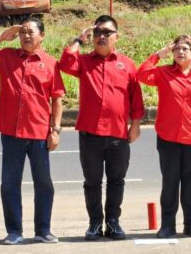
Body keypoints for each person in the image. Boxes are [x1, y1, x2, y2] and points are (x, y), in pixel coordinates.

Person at [0, 19, 65, 245]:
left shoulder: (50, 63)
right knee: (10, 183)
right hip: (11, 132)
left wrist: (55, 131)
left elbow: (57, 99)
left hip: (39, 132)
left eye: (31, 32)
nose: (26, 35)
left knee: (44, 183)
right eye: (22, 32)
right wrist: (1, 37)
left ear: (42, 36)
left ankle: (43, 230)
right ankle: (14, 231)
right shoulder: (6, 56)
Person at [60, 15, 145, 241]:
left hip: (118, 134)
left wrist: (135, 125)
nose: (102, 37)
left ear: (117, 37)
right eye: (97, 32)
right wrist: (78, 40)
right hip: (91, 134)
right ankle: (95, 223)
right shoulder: (84, 62)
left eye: (107, 32)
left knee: (117, 181)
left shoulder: (127, 64)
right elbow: (65, 63)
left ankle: (113, 221)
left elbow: (136, 99)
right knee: (92, 182)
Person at [137, 35, 191, 238]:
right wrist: (159, 55)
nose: (181, 52)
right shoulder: (163, 73)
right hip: (168, 138)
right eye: (177, 49)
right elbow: (141, 74)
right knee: (170, 183)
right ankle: (167, 226)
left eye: (185, 48)